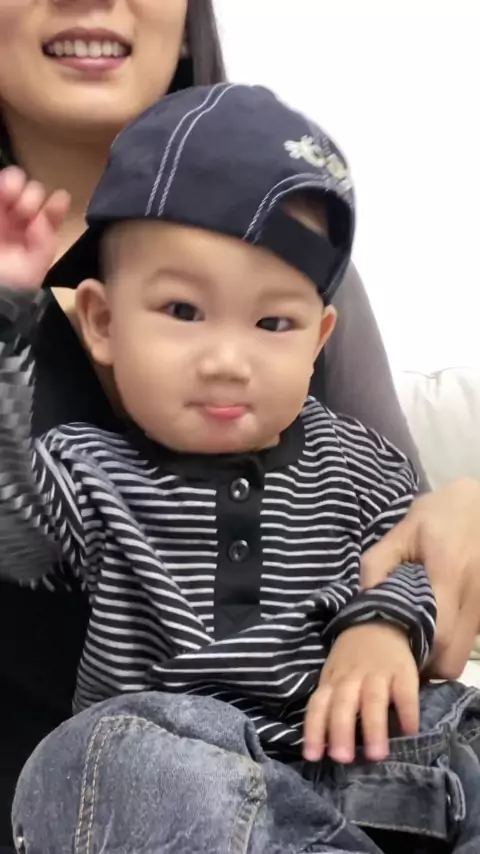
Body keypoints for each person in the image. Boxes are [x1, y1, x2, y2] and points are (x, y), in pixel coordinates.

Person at [0, 0, 479, 849]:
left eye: (273, 323)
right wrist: (9, 314)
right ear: (102, 321)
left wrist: (382, 627)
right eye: (183, 311)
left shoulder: (354, 458)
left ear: (318, 337)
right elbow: (12, 518)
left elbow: (405, 550)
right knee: (93, 758)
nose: (228, 359)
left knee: (457, 722)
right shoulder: (90, 470)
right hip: (183, 791)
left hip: (359, 753)